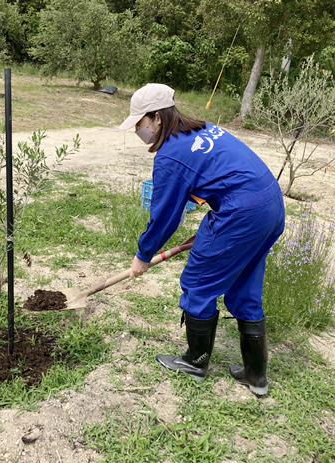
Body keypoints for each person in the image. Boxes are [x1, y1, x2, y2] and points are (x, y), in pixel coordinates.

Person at [119, 83, 285, 396]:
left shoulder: (170, 156)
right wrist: (219, 230)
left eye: (139, 124)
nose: (137, 131)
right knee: (245, 283)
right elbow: (200, 188)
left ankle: (195, 362)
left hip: (242, 213)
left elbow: (164, 216)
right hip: (270, 205)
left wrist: (143, 255)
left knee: (198, 283)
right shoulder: (204, 130)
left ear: (156, 117)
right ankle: (255, 376)